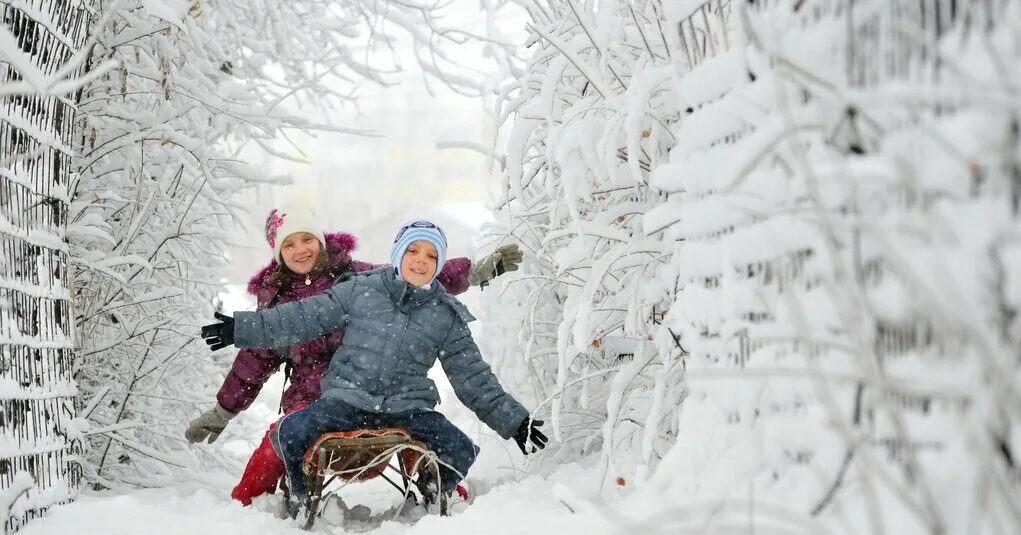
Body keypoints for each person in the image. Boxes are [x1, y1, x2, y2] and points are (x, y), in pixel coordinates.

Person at [200, 219, 547, 513]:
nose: (421, 261)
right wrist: (241, 328)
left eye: (431, 256)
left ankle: (432, 486)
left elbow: (473, 376)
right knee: (288, 433)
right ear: (397, 255)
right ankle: (300, 487)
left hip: (407, 407)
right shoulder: (361, 291)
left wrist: (514, 421)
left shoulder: (445, 314)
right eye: (412, 252)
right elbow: (301, 318)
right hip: (344, 402)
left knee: (460, 447)